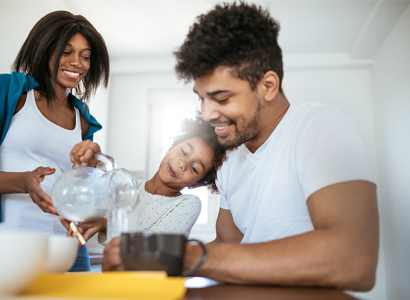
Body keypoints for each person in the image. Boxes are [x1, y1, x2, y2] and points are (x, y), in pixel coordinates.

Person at [103, 2, 379, 291]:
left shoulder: (318, 127)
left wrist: (182, 254)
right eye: (202, 98)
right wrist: (150, 264)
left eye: (221, 99)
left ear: (268, 86)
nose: (208, 113)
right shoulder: (230, 160)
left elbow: (354, 259)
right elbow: (227, 242)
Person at [0, 11, 109, 272]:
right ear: (45, 50)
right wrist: (23, 181)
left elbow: (79, 194)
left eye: (85, 56)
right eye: (66, 52)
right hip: (12, 242)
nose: (77, 63)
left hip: (69, 247)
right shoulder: (11, 93)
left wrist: (91, 168)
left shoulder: (83, 119)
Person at [61, 115, 228, 246]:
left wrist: (107, 225)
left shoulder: (187, 204)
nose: (182, 164)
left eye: (194, 168)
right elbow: (82, 193)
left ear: (195, 184)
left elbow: (156, 247)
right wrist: (87, 166)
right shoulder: (126, 186)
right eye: (184, 152)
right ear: (171, 148)